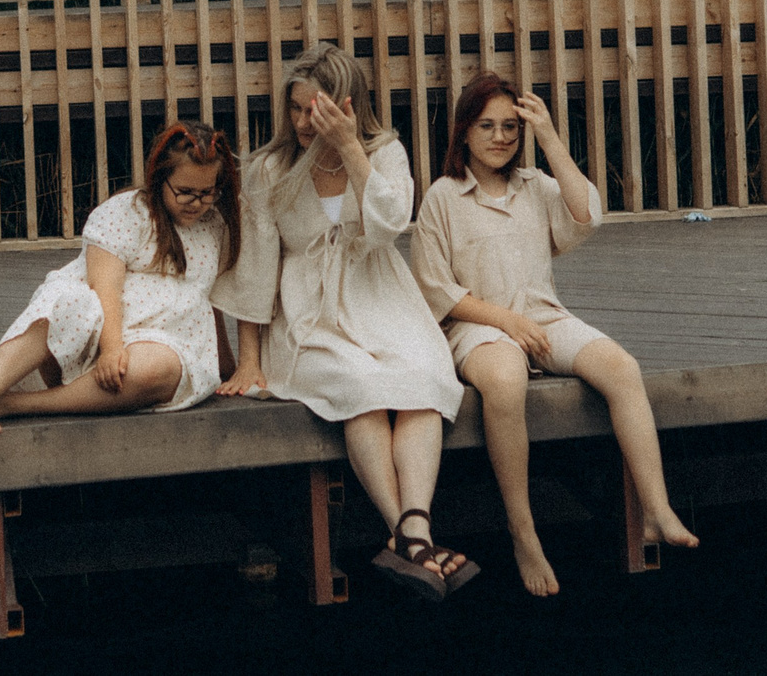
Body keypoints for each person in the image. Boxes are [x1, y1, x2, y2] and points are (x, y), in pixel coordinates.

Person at [411, 72, 697, 595]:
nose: (500, 138)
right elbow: (436, 290)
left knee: (621, 367)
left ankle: (656, 507)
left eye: (510, 128)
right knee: (504, 378)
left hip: (543, 318)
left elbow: (587, 214)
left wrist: (548, 136)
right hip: (478, 329)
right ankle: (524, 532)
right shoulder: (443, 198)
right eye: (487, 126)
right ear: (464, 132)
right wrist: (506, 323)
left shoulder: (535, 187)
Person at [212, 42, 478, 602]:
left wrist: (350, 147)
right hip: (310, 314)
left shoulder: (384, 153)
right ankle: (415, 540)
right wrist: (252, 359)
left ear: (348, 105)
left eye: (319, 109)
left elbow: (387, 224)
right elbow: (254, 268)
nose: (306, 122)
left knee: (425, 383)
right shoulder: (268, 168)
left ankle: (412, 532)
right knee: (362, 388)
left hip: (380, 298)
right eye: (297, 109)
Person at [0, 119, 242, 435]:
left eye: (208, 193)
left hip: (162, 341)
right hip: (99, 332)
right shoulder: (128, 212)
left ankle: (18, 404)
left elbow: (207, 296)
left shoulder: (213, 226)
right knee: (63, 302)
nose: (197, 203)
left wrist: (226, 364)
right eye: (185, 192)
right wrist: (111, 348)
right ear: (159, 179)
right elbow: (104, 286)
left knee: (156, 369)